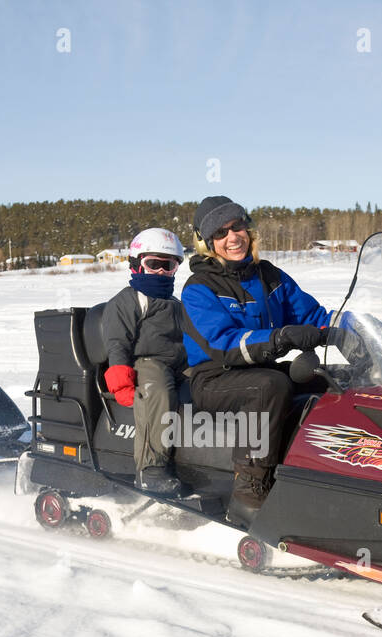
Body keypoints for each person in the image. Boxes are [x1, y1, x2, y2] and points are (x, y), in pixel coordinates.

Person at [181, 196, 339, 525]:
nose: (232, 237)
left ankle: (329, 474)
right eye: (221, 233)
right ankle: (248, 491)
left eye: (237, 226)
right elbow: (223, 343)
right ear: (208, 243)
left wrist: (352, 327)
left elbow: (312, 314)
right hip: (213, 379)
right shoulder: (199, 288)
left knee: (328, 378)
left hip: (259, 370)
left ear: (248, 230)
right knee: (271, 385)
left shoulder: (269, 276)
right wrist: (279, 337)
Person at [102, 227, 189, 496]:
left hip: (180, 364)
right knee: (158, 390)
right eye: (154, 264)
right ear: (137, 265)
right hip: (146, 363)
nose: (162, 272)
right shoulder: (128, 301)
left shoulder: (176, 303)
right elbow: (117, 342)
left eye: (168, 265)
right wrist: (121, 383)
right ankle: (151, 468)